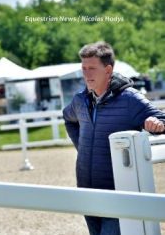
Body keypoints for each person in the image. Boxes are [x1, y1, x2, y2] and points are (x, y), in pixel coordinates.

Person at [63, 41, 165, 235]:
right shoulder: (80, 100)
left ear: (108, 70)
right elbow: (68, 119)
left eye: (92, 68)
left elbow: (161, 119)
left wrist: (156, 123)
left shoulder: (130, 99)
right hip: (87, 191)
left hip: (119, 192)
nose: (86, 74)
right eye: (83, 68)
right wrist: (83, 148)